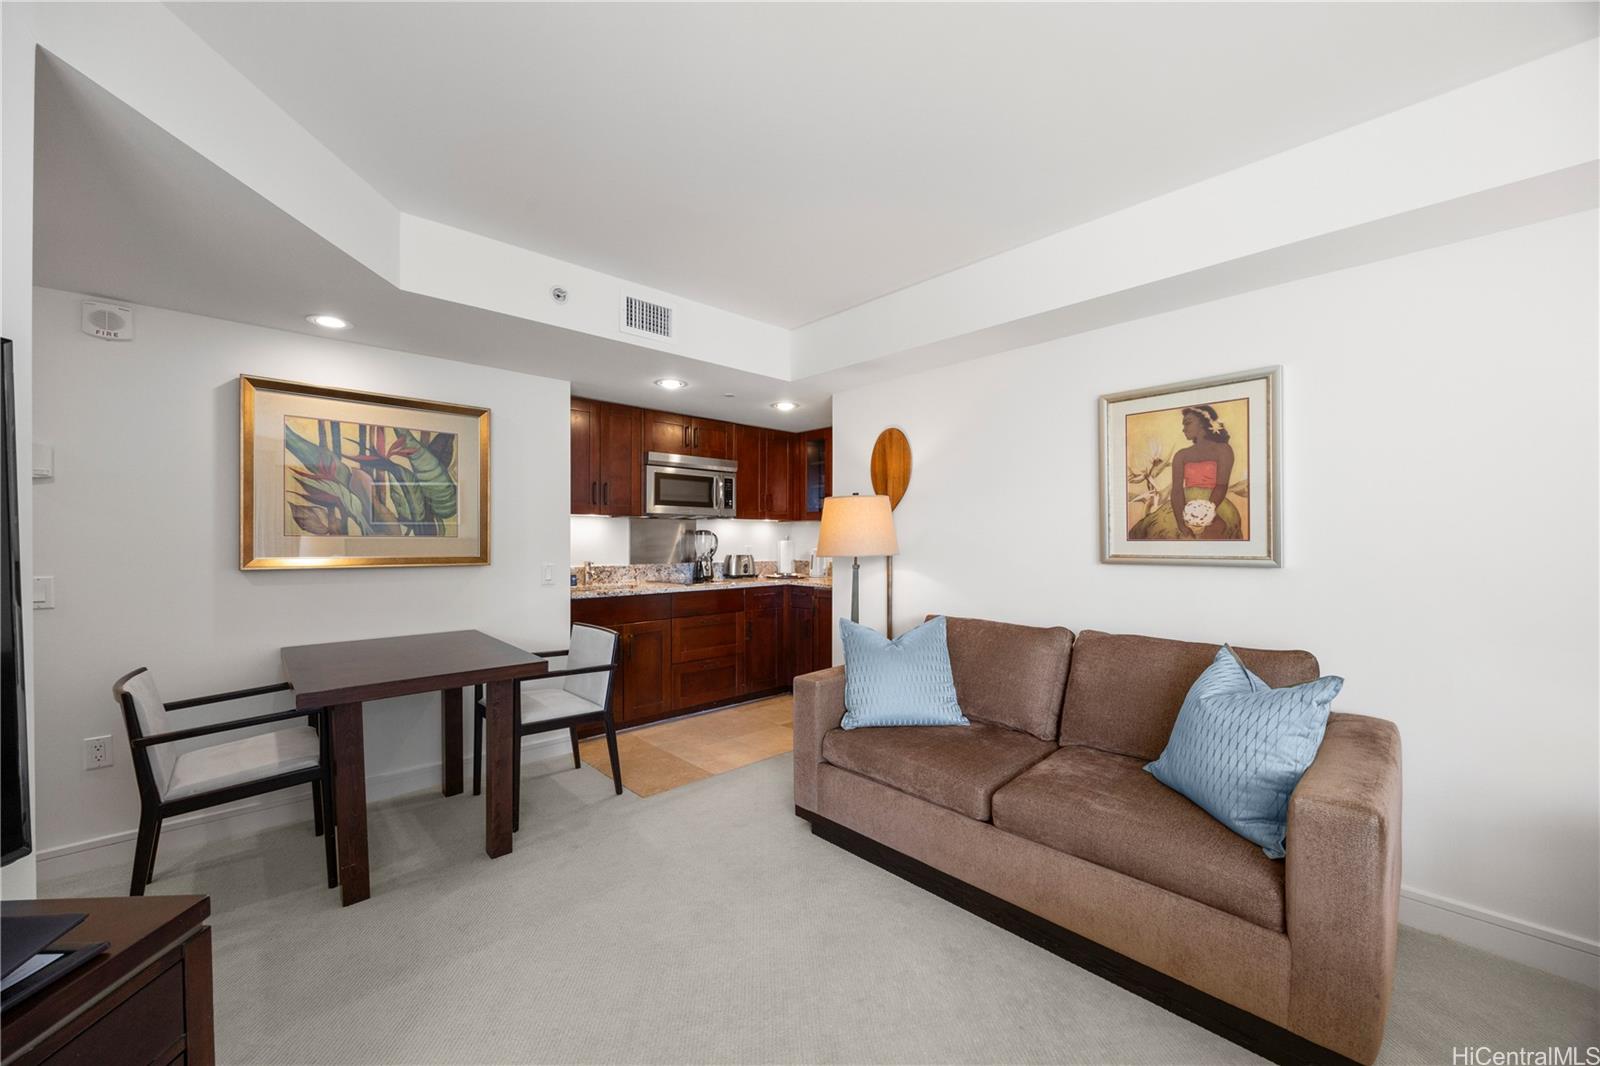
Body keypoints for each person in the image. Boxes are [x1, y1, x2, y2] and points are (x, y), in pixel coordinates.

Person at [1128, 405, 1243, 540]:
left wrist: (1204, 513)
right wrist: (1181, 523)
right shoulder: (1181, 455)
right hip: (1182, 504)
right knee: (1160, 530)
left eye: (1188, 423)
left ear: (1204, 423)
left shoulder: (1223, 450)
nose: (1184, 429)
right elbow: (1177, 490)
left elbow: (1221, 485)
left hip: (1215, 503)